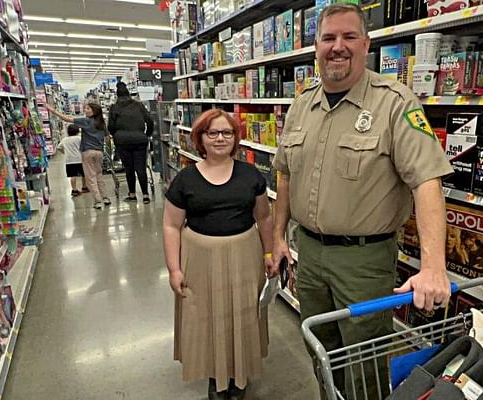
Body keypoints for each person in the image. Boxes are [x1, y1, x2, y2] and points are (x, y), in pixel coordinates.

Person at [271, 4, 455, 399]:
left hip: (364, 262)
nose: (338, 47)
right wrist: (277, 238)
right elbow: (285, 174)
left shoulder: (395, 103)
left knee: (363, 363)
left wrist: (433, 267)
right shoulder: (302, 105)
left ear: (366, 44)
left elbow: (427, 182)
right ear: (315, 47)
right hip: (310, 256)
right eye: (328, 38)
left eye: (349, 37)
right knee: (321, 351)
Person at [162, 109, 276, 400]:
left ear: (236, 137)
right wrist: (174, 269)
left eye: (227, 132)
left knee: (243, 314)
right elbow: (171, 225)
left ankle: (239, 378)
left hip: (244, 255)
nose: (220, 138)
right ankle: (216, 379)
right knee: (207, 317)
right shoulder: (186, 179)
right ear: (200, 138)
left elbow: (263, 217)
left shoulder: (251, 175)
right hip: (199, 258)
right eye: (212, 133)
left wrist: (268, 254)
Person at [46, 102, 111, 209]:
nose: (85, 110)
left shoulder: (85, 121)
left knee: (90, 177)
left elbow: (67, 119)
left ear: (94, 111)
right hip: (99, 152)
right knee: (99, 175)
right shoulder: (101, 123)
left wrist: (52, 110)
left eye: (88, 108)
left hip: (88, 152)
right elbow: (107, 138)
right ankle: (105, 197)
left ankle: (98, 201)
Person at [108, 82, 155, 203]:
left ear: (117, 95)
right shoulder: (138, 105)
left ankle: (132, 194)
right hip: (140, 140)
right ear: (129, 93)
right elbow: (149, 120)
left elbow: (110, 127)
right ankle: (145, 195)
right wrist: (147, 134)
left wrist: (117, 135)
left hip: (123, 142)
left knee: (129, 168)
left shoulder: (114, 107)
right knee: (141, 168)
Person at [56, 124, 85, 197]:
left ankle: (74, 190)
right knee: (84, 174)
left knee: (73, 175)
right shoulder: (79, 138)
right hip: (80, 159)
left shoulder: (65, 139)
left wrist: (64, 152)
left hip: (69, 160)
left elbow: (58, 148)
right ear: (77, 131)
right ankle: (84, 187)